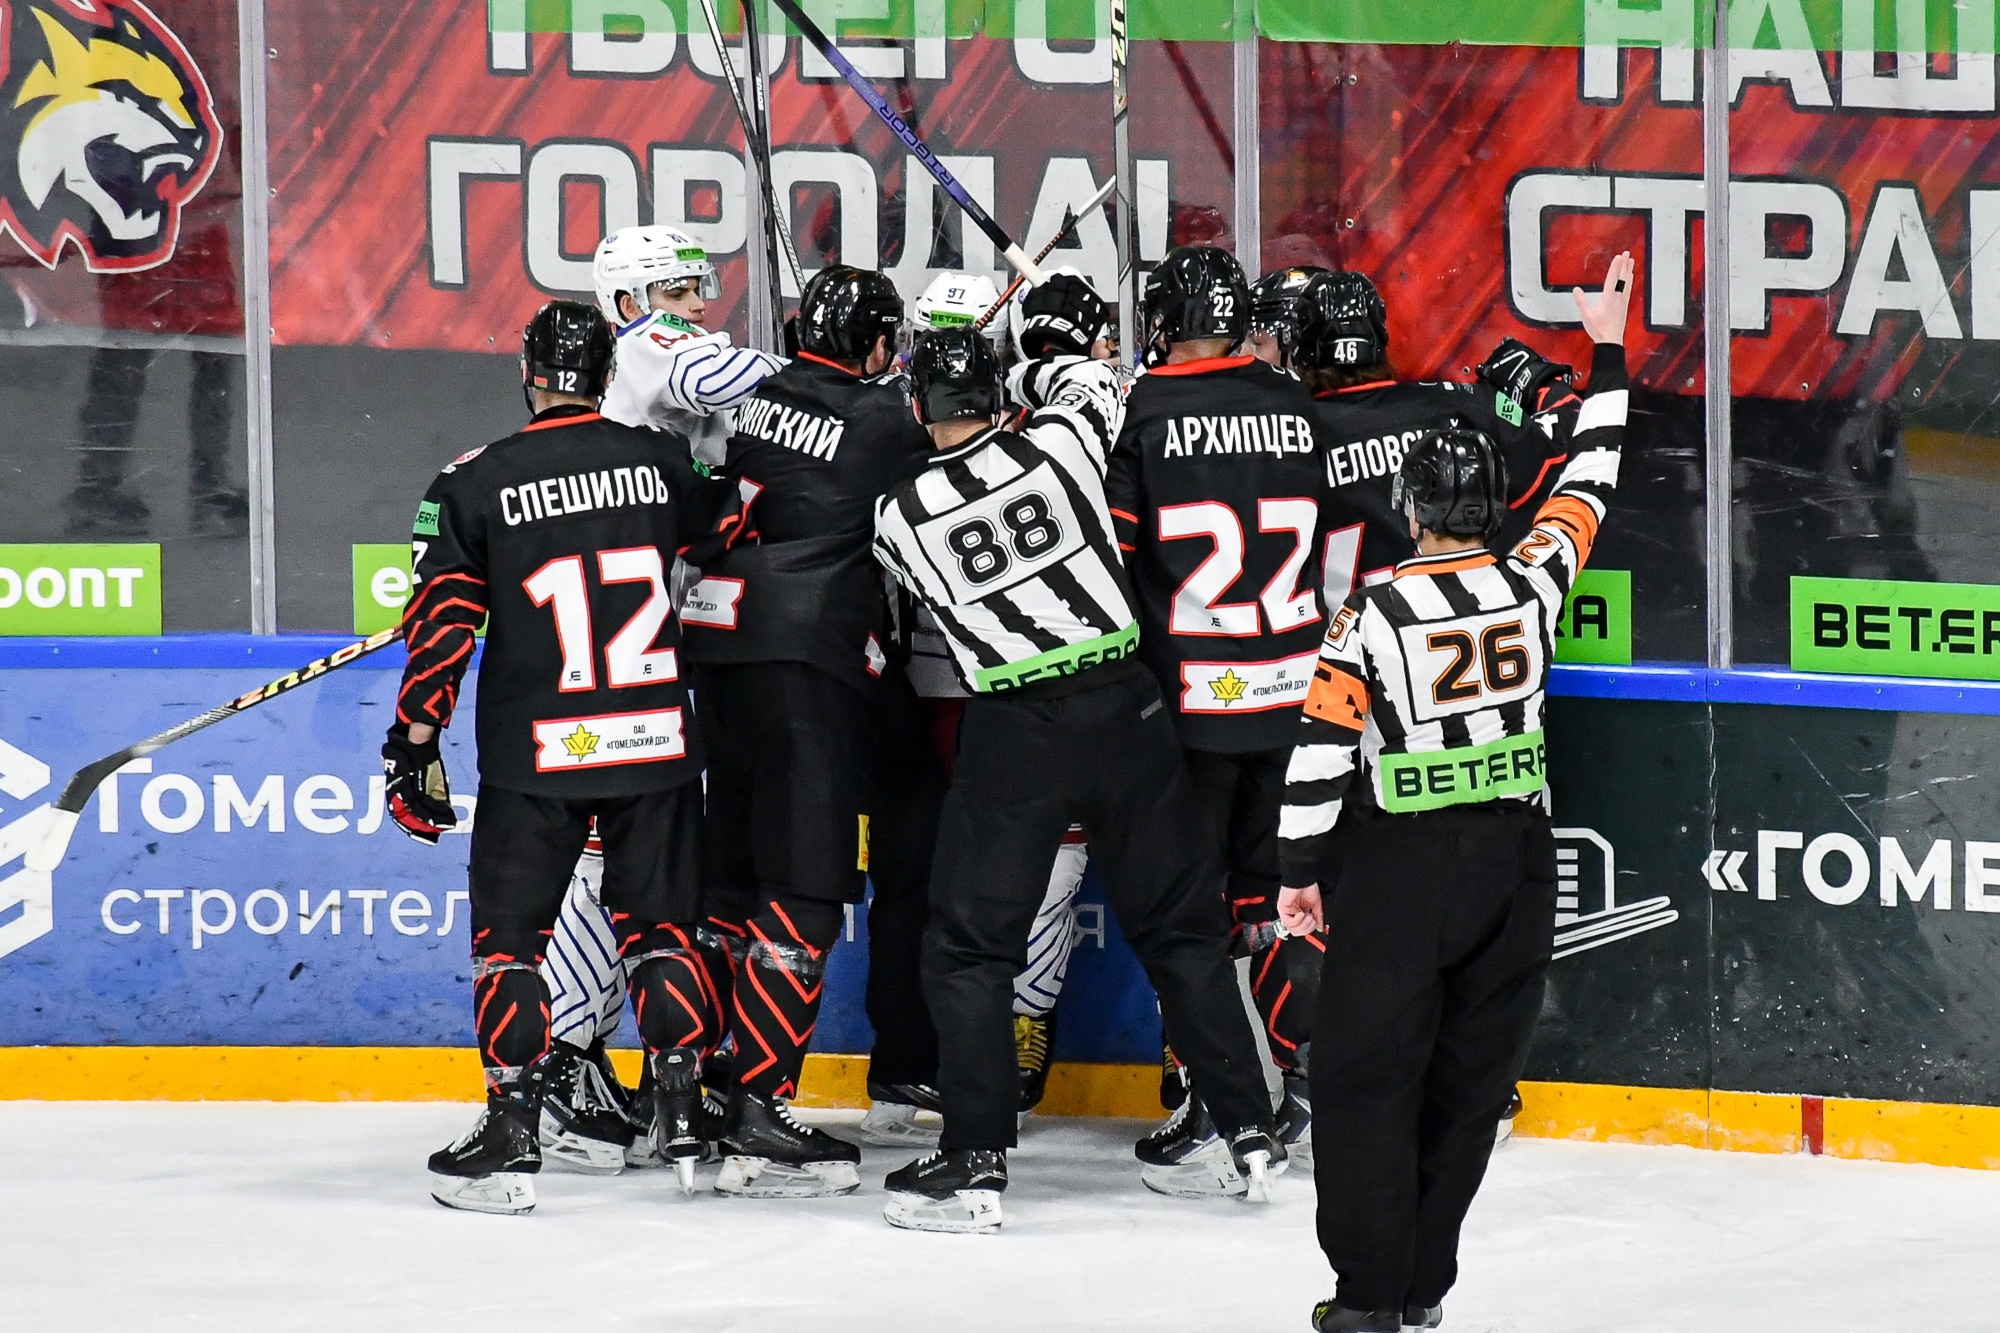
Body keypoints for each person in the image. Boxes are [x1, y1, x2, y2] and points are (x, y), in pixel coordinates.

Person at [869, 292, 1282, 1236]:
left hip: (1017, 724)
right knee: (1183, 928)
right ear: (1000, 398)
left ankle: (976, 1159)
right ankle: (1244, 1130)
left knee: (970, 947)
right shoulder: (1060, 443)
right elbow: (1096, 379)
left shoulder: (899, 514)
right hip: (1128, 704)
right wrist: (1024, 369)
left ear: (922, 407)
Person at [1275, 253, 1634, 1332]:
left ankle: (1367, 1299)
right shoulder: (1534, 579)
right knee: (1470, 1087)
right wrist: (1606, 348)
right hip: (1517, 870)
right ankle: (1422, 1287)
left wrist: (1297, 873)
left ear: (1410, 506)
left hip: (1401, 869)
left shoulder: (1371, 615)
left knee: (1363, 1084)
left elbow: (1319, 754)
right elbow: (1592, 472)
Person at [388, 300, 735, 1213]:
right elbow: (726, 524)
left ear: (528, 376)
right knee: (662, 932)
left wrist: (413, 741)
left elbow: (443, 631)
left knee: (510, 947)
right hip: (654, 739)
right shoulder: (662, 460)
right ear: (606, 376)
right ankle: (683, 1114)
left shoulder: (473, 481)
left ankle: (511, 1134)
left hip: (538, 753)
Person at [529, 225, 785, 1175]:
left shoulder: (646, 373)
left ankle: (584, 1058)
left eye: (698, 289)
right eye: (678, 292)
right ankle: (562, 1063)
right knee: (612, 855)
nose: (697, 307)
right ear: (631, 302)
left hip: (654, 642)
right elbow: (727, 377)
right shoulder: (646, 346)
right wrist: (822, 379)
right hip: (630, 653)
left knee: (637, 863)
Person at [677, 263, 934, 1197]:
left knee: (731, 884)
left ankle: (706, 1091)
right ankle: (760, 1108)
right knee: (805, 889)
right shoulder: (885, 418)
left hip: (717, 649)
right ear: (876, 343)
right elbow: (962, 441)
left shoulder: (753, 396)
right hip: (807, 660)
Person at [1105, 244, 1330, 1166]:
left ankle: (1212, 1102)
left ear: (1167, 322)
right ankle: (1308, 1086)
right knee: (1281, 900)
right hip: (1296, 695)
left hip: (1194, 709)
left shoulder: (1146, 409)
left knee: (1188, 917)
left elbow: (1116, 557)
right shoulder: (1295, 403)